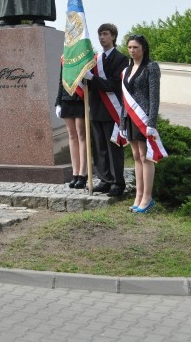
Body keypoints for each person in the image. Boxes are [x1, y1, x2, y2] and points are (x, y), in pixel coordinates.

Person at [84, 24, 129, 196]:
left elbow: (112, 84)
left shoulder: (121, 59)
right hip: (96, 108)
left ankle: (118, 183)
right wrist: (83, 78)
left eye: (105, 34)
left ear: (113, 37)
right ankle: (104, 180)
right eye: (100, 34)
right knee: (99, 149)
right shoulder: (94, 59)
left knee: (113, 149)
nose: (102, 37)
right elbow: (89, 84)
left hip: (112, 111)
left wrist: (92, 78)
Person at [120, 35, 162, 213]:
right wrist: (122, 121)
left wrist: (151, 122)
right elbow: (124, 98)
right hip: (130, 117)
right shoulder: (127, 69)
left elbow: (154, 96)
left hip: (143, 117)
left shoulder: (151, 67)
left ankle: (147, 197)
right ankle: (138, 195)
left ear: (143, 48)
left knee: (145, 157)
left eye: (135, 47)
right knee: (136, 156)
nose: (132, 50)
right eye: (129, 47)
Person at [55, 64, 87, 189]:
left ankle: (83, 174)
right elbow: (61, 81)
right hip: (66, 98)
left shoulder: (84, 52)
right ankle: (75, 173)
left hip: (80, 98)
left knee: (81, 135)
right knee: (72, 135)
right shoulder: (65, 57)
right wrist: (58, 102)